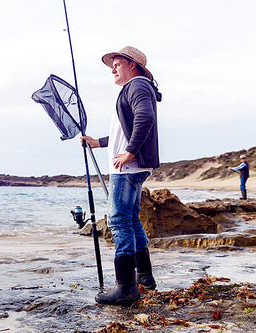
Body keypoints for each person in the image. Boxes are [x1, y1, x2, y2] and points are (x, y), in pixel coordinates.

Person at [81, 46, 162, 305]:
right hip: (132, 166)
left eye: (117, 63)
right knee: (131, 219)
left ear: (134, 65)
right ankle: (144, 277)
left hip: (127, 168)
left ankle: (125, 288)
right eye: (111, 64)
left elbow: (145, 118)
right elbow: (125, 131)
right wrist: (99, 142)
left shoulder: (136, 86)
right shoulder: (134, 88)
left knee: (118, 221)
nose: (113, 68)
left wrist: (129, 152)